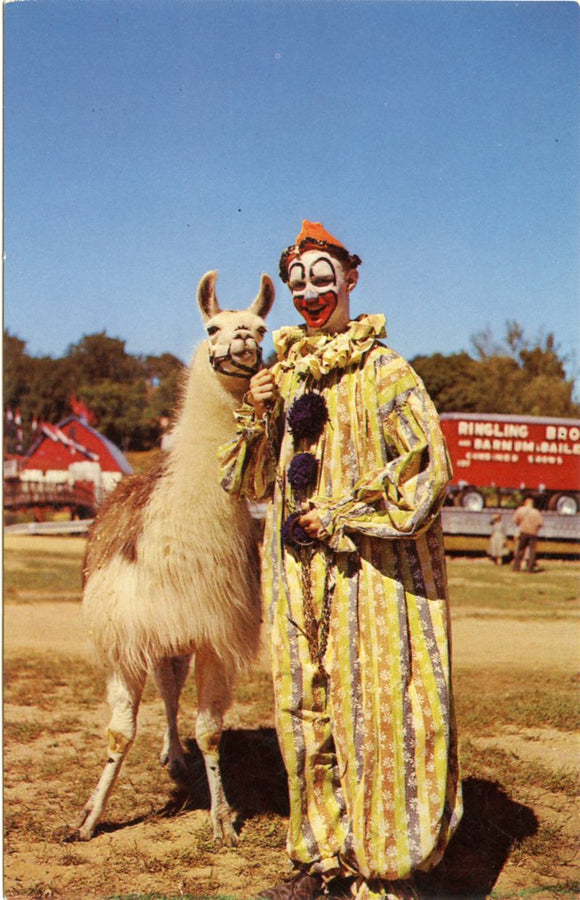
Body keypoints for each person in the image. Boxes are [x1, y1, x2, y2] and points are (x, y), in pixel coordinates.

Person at [218, 221, 462, 900]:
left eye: (322, 278)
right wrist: (256, 414)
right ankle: (321, 861)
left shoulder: (386, 371)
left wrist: (345, 514)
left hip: (369, 576)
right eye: (298, 283)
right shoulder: (284, 373)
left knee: (377, 713)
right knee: (306, 711)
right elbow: (247, 480)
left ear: (351, 279)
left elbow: (425, 470)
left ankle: (384, 874)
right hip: (295, 574)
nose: (309, 294)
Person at [512, 497, 543, 572]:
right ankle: (530, 568)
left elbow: (515, 520)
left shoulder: (520, 510)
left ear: (525, 503)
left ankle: (516, 567)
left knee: (520, 550)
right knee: (532, 551)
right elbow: (540, 523)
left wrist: (520, 524)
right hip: (533, 533)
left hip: (523, 531)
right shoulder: (536, 512)